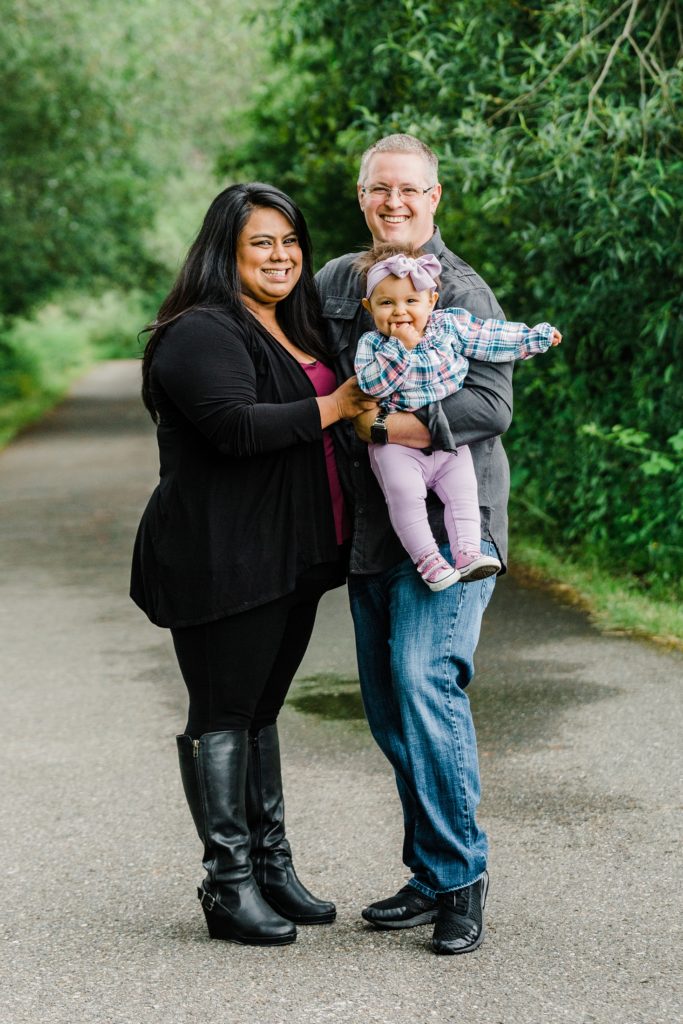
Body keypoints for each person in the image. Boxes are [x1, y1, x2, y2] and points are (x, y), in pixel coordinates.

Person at [130, 182, 375, 946]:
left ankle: (270, 867)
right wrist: (340, 404)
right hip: (221, 555)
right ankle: (226, 884)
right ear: (224, 251)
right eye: (260, 242)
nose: (282, 255)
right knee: (223, 714)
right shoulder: (198, 330)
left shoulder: (291, 324)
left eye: (289, 240)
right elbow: (235, 428)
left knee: (261, 710)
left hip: (291, 554)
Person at [315, 133, 521, 954]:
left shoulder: (462, 290)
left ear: (434, 197)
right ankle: (430, 873)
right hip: (373, 528)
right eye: (377, 190)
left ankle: (463, 877)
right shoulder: (338, 280)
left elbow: (488, 408)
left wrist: (376, 421)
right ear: (361, 198)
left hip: (453, 528)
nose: (393, 202)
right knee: (390, 710)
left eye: (408, 189)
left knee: (422, 679)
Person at [354, 243, 561, 591]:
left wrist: (533, 337)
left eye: (411, 301)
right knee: (405, 495)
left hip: (447, 437)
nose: (400, 312)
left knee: (464, 490)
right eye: (387, 303)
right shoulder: (373, 346)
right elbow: (372, 385)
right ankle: (428, 559)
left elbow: (491, 338)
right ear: (369, 307)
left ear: (432, 301)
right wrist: (401, 349)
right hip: (396, 444)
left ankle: (468, 553)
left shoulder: (449, 326)